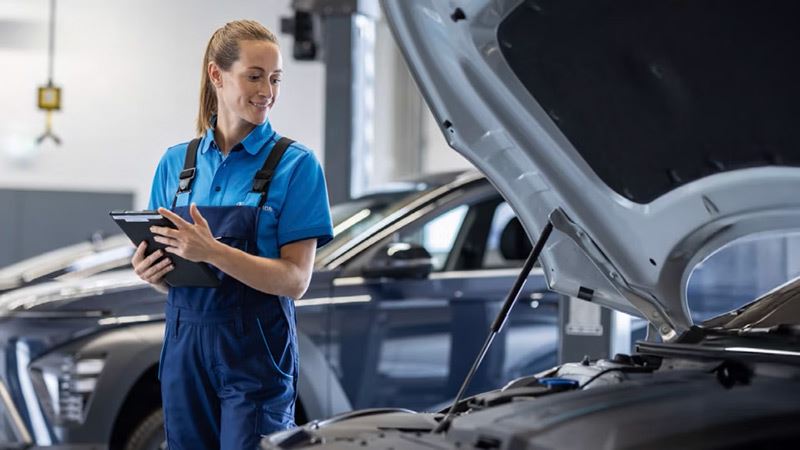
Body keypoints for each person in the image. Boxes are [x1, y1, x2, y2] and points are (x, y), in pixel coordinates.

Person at [130, 19, 333, 450]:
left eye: (275, 79)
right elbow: (178, 276)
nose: (267, 91)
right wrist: (154, 273)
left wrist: (213, 251)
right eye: (254, 76)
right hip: (185, 348)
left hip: (255, 355)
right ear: (216, 75)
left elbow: (296, 280)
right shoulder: (175, 165)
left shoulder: (296, 165)